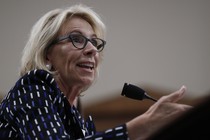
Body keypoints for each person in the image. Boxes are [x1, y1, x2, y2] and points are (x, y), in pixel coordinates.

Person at [0, 4, 192, 140]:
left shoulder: (80, 120)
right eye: (77, 38)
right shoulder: (32, 88)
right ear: (47, 55)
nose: (92, 49)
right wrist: (143, 125)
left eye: (94, 41)